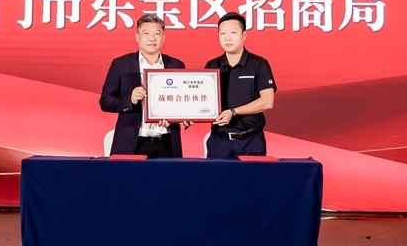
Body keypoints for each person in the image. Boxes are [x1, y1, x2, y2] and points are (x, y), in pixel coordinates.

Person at [99, 13, 189, 158]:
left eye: (157, 34)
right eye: (146, 33)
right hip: (132, 142)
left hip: (166, 141)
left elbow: (184, 102)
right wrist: (130, 99)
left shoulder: (176, 65)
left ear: (163, 37)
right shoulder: (121, 64)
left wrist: (183, 115)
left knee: (170, 174)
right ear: (137, 37)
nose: (152, 38)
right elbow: (105, 101)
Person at [205, 12, 276, 159]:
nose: (227, 38)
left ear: (244, 35)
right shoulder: (212, 65)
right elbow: (203, 100)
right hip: (219, 141)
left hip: (251, 141)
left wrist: (233, 112)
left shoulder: (259, 64)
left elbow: (267, 101)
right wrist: (189, 115)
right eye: (223, 33)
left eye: (233, 33)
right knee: (215, 175)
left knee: (251, 175)